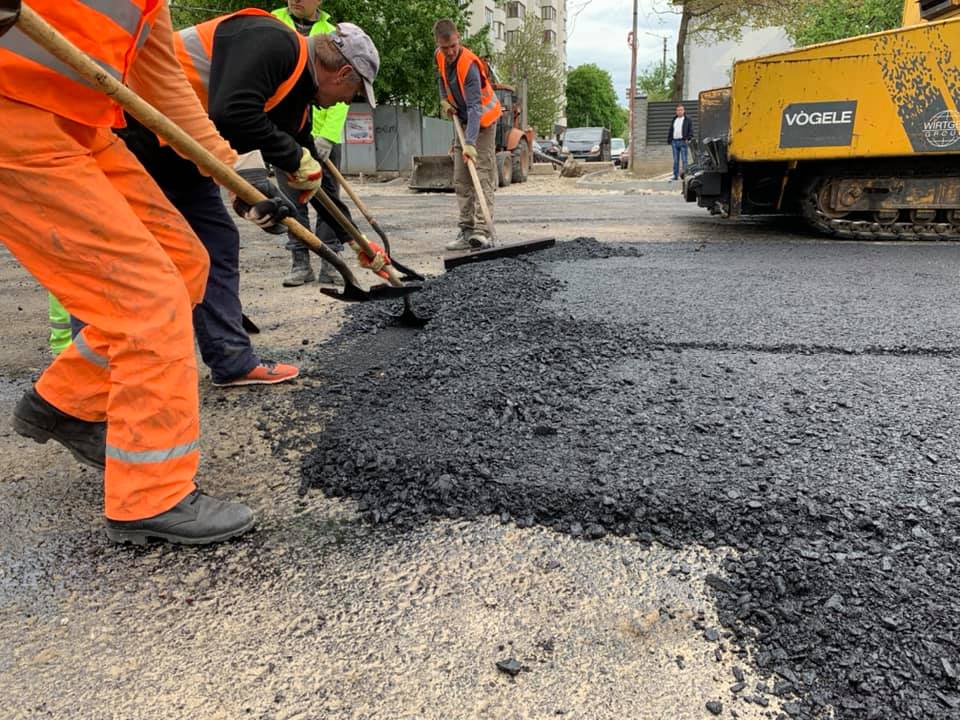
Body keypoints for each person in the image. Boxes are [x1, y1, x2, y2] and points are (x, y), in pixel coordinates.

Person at [0, 0, 271, 544]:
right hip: (13, 119)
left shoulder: (149, 6)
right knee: (148, 299)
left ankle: (66, 403)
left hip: (80, 123)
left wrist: (238, 173)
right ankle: (151, 494)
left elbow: (166, 92)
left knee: (184, 262)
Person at [271, 0, 354, 287]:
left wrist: (328, 136)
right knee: (292, 200)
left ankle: (331, 261)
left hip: (322, 136)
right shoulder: (274, 24)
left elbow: (343, 93)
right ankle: (300, 262)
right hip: (287, 133)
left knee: (327, 199)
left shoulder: (333, 34)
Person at [433, 18, 502, 251]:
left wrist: (470, 143)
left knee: (481, 173)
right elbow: (441, 79)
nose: (450, 52)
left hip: (482, 121)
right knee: (461, 177)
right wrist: (444, 99)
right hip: (462, 120)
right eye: (445, 47)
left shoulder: (469, 65)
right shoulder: (440, 56)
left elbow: (475, 108)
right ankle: (466, 230)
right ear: (438, 44)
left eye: (453, 45)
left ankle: (483, 232)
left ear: (458, 37)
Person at [668, 103, 693, 181]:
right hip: (674, 142)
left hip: (683, 142)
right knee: (675, 160)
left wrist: (688, 138)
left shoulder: (687, 119)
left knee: (684, 160)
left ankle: (685, 176)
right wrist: (670, 140)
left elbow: (691, 130)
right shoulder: (674, 119)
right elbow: (671, 130)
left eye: (681, 110)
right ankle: (675, 176)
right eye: (678, 110)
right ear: (676, 111)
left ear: (684, 110)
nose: (679, 111)